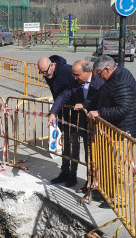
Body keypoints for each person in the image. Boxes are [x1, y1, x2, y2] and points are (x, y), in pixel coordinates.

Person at [48, 60, 104, 192]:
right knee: (88, 155)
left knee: (98, 156)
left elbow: (101, 97)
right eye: (73, 75)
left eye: (77, 75)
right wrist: (53, 112)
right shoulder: (75, 82)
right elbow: (63, 95)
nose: (74, 78)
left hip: (99, 125)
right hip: (83, 124)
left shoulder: (100, 81)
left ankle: (99, 185)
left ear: (88, 72)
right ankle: (89, 183)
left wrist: (86, 105)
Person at [38, 55, 79, 187]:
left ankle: (73, 175)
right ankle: (65, 171)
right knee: (65, 141)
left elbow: (72, 91)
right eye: (42, 72)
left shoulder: (67, 71)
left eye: (45, 71)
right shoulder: (49, 76)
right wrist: (55, 111)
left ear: (52, 66)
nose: (44, 75)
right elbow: (57, 94)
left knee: (74, 142)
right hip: (62, 111)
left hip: (75, 112)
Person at [74, 55, 136, 138]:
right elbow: (102, 92)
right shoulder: (115, 76)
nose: (99, 77)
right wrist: (85, 104)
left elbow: (122, 109)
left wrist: (99, 113)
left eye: (99, 73)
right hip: (115, 129)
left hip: (122, 132)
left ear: (107, 69)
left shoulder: (122, 83)